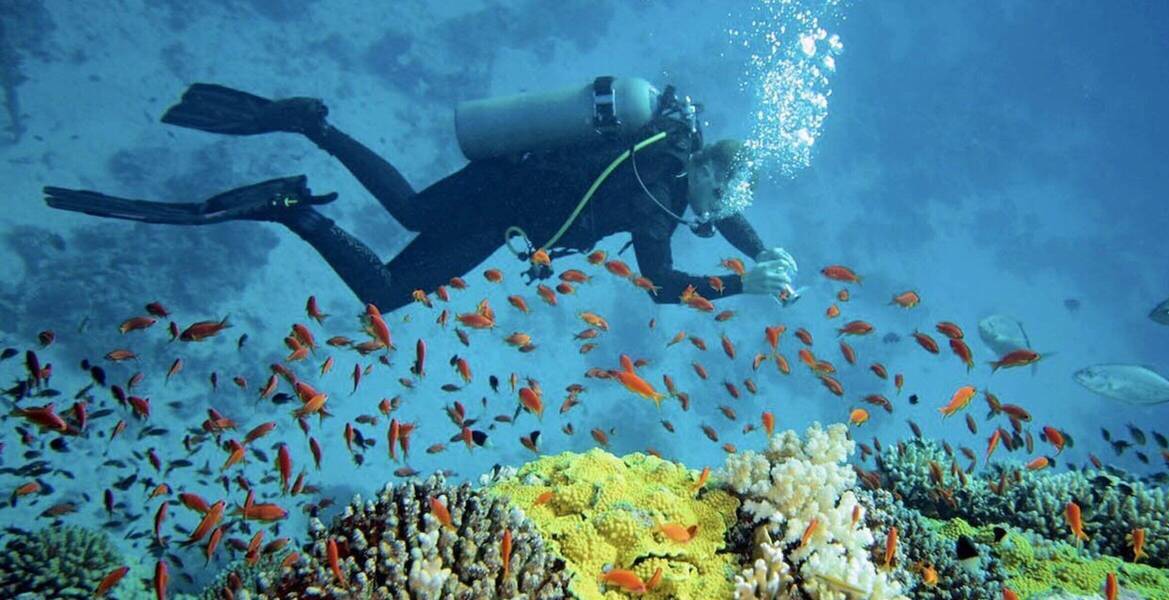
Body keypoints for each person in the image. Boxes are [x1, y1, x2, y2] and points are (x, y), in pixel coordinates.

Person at [44, 81, 797, 313]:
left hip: (507, 201)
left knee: (394, 265)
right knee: (392, 274)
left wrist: (762, 255)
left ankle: (304, 173)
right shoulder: (651, 192)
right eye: (716, 197)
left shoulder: (673, 162)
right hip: (500, 204)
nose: (717, 213)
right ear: (702, 172)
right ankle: (298, 186)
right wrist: (739, 284)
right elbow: (662, 286)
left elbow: (727, 211)